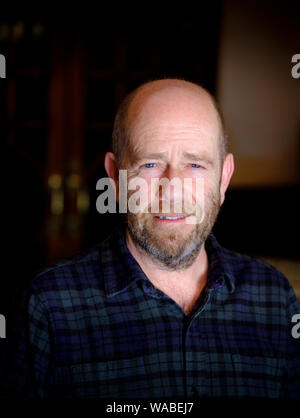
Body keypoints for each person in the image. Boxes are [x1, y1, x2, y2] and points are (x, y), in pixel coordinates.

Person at [1, 78, 299, 398]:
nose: (172, 189)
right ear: (115, 176)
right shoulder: (46, 306)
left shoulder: (274, 299)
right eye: (151, 163)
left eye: (195, 164)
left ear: (224, 178)